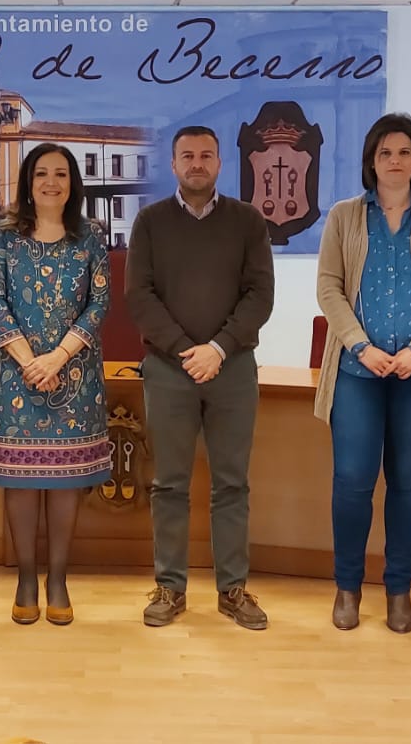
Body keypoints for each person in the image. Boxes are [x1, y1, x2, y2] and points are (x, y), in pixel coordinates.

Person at [314, 112, 411, 633]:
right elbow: (330, 288)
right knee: (353, 480)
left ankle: (399, 590)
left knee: (408, 481)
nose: (395, 162)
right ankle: (348, 587)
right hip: (358, 373)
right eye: (385, 153)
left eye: (404, 152)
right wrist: (359, 346)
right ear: (371, 161)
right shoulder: (343, 216)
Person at [127, 124, 275, 630]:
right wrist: (186, 350)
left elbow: (260, 296)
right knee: (168, 484)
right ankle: (169, 588)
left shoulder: (248, 222)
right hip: (168, 370)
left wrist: (217, 348)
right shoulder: (149, 222)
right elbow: (139, 297)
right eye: (187, 155)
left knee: (231, 483)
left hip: (232, 368)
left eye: (205, 155)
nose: (196, 163)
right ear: (173, 164)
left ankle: (233, 589)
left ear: (219, 163)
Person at [0, 143, 114, 626]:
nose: (51, 182)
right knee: (19, 480)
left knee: (63, 482)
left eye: (61, 174)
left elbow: (100, 304)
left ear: (73, 183)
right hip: (15, 377)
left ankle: (57, 578)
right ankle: (25, 577)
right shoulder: (4, 238)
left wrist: (58, 356)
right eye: (42, 174)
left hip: (74, 376)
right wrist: (29, 360)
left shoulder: (91, 236)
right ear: (28, 182)